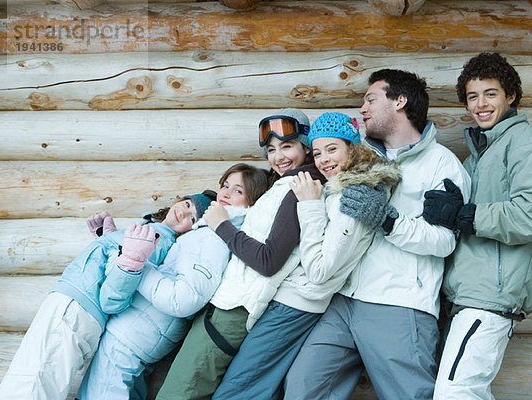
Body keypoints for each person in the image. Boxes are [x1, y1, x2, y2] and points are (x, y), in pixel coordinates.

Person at [284, 69, 471, 400]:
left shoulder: (442, 165)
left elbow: (444, 241)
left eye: (371, 99)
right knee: (302, 386)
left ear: (400, 101)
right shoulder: (360, 159)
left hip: (398, 304)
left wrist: (388, 221)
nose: (363, 109)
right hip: (342, 301)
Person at [212, 112, 401, 400]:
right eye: (318, 152)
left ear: (353, 147)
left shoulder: (354, 197)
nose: (324, 159)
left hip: (296, 302)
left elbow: (320, 271)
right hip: (292, 300)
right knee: (259, 385)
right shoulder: (335, 186)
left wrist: (309, 206)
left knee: (238, 389)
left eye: (332, 149)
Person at [421, 52, 532, 400]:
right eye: (473, 96)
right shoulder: (481, 154)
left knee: (457, 393)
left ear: (511, 96)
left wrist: (464, 215)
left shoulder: (530, 146)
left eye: (490, 93)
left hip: (491, 297)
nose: (481, 104)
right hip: (467, 296)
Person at [155, 108, 327, 400]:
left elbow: (269, 260)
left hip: (232, 311)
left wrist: (221, 224)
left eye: (287, 146)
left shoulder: (297, 188)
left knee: (177, 394)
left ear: (306, 146)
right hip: (226, 307)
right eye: (271, 150)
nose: (279, 156)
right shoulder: (284, 185)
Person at [76, 163, 270, 399]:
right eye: (225, 185)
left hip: (132, 335)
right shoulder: (204, 233)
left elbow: (183, 299)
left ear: (253, 202)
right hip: (138, 332)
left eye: (238, 191)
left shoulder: (211, 239)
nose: (226, 193)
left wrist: (138, 263)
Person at [0, 191, 213, 400]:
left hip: (77, 308)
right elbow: (117, 266)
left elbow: (114, 296)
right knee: (35, 376)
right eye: (187, 204)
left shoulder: (157, 241)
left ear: (191, 230)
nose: (183, 213)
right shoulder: (150, 230)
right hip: (75, 304)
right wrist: (109, 240)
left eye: (192, 217)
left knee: (33, 381)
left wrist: (128, 260)